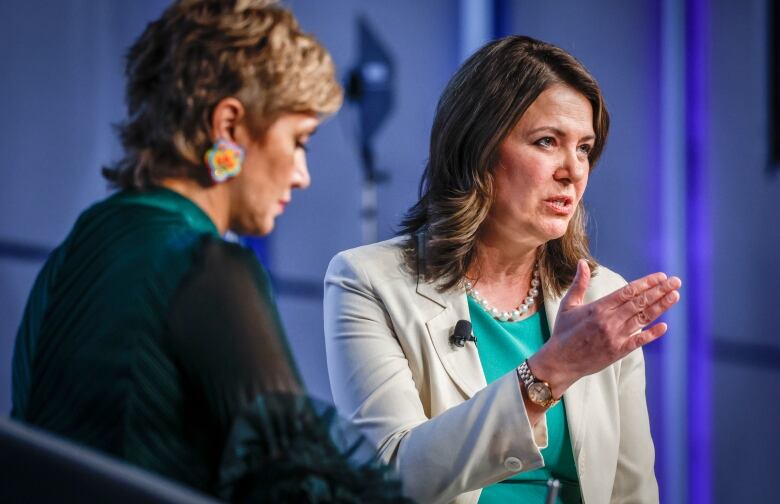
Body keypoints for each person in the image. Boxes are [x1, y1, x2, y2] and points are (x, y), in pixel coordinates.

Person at [11, 1, 407, 502]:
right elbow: (305, 490)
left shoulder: (72, 254)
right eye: (300, 140)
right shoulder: (206, 267)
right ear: (229, 127)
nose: (303, 175)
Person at [324, 35, 681, 504]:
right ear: (479, 149)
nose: (573, 171)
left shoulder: (602, 297)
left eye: (584, 149)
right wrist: (551, 371)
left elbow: (631, 491)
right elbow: (392, 476)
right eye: (547, 142)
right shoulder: (368, 282)